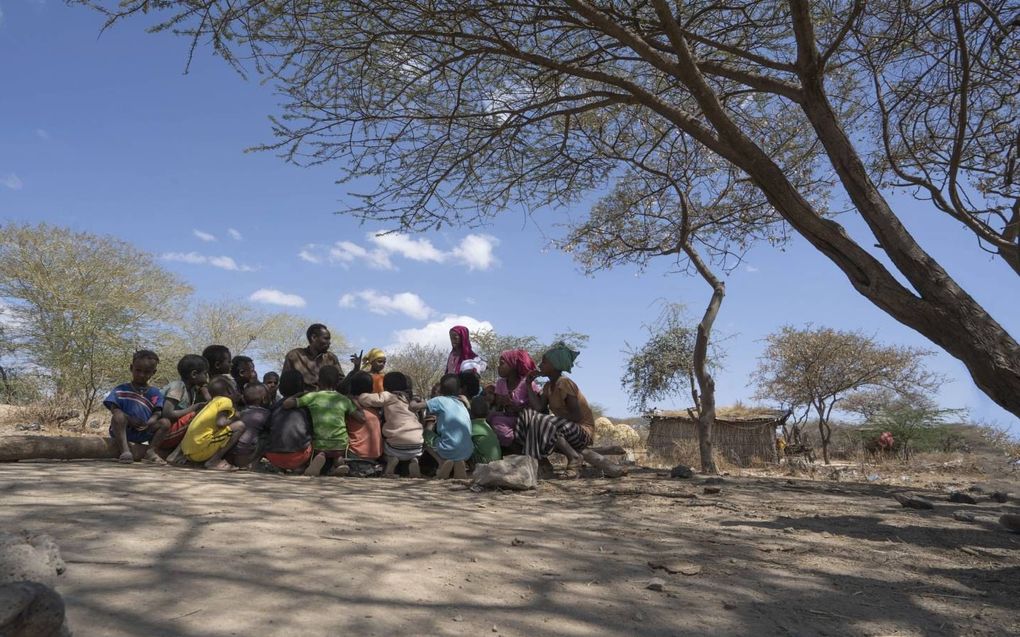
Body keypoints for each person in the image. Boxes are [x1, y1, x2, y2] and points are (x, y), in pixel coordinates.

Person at [522, 342, 625, 479]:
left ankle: (573, 458)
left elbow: (576, 416)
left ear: (555, 365)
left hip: (582, 432)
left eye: (544, 362)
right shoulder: (548, 387)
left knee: (540, 420)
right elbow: (539, 408)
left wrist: (550, 421)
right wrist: (528, 384)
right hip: (565, 429)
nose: (540, 365)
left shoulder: (564, 383)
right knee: (528, 416)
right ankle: (539, 462)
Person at [282, 364, 364, 476]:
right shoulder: (343, 399)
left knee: (319, 452)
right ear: (337, 383)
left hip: (320, 443)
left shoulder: (312, 396)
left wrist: (298, 395)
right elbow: (362, 419)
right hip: (340, 443)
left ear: (319, 381)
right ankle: (339, 465)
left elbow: (286, 404)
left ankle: (319, 458)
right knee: (338, 456)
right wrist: (355, 402)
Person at [104, 350, 171, 464]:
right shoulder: (121, 389)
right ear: (131, 368)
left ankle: (150, 451)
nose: (141, 375)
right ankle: (125, 451)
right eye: (138, 370)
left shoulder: (155, 392)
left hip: (144, 430)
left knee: (165, 422)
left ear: (153, 372)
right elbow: (114, 408)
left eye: (147, 372)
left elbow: (158, 412)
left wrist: (149, 422)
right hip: (124, 430)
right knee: (118, 415)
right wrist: (130, 419)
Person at [357, 372, 426, 478]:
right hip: (417, 448)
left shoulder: (388, 396)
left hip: (395, 449)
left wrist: (360, 395)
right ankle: (414, 461)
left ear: (386, 386)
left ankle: (390, 461)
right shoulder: (410, 399)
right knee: (410, 447)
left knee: (382, 444)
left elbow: (364, 399)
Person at [180, 376, 246, 471]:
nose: (238, 393)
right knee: (240, 426)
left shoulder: (212, 402)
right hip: (198, 451)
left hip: (188, 451)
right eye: (236, 390)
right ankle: (213, 461)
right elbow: (221, 423)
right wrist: (236, 417)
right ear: (229, 391)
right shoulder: (226, 401)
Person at [264, 370, 315, 472]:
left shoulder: (274, 406)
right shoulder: (306, 406)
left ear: (281, 386)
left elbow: (267, 428)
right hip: (299, 457)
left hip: (273, 456)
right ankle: (301, 466)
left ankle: (279, 466)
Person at [159, 354, 210, 455]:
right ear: (194, 374)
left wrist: (204, 388)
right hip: (161, 434)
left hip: (171, 432)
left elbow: (209, 400)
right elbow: (167, 413)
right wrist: (193, 408)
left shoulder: (191, 390)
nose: (207, 377)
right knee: (198, 414)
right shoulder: (178, 387)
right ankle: (178, 453)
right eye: (205, 374)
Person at [488, 349, 538, 451]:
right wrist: (502, 401)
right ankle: (514, 447)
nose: (498, 367)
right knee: (493, 419)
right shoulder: (500, 383)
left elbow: (536, 404)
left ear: (513, 366)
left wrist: (517, 407)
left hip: (524, 419)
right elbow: (498, 405)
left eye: (501, 364)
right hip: (508, 417)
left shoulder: (526, 384)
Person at [425, 374, 474, 466]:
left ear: (441, 391)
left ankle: (441, 462)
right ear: (459, 390)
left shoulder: (439, 401)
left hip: (447, 449)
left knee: (424, 434)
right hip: (467, 452)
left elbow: (414, 407)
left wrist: (414, 401)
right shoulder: (462, 404)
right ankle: (459, 466)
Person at [282, 323, 342, 392]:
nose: (329, 342)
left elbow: (342, 385)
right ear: (313, 338)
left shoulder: (331, 358)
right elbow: (285, 385)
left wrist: (355, 370)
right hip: (300, 400)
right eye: (326, 339)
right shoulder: (294, 355)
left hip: (327, 400)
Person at [226, 383, 271, 469]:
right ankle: (253, 464)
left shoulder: (239, 412)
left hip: (229, 456)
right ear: (264, 398)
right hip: (244, 457)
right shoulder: (266, 413)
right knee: (267, 436)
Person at [345, 372, 383, 468]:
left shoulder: (348, 404)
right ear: (371, 388)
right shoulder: (376, 407)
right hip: (376, 455)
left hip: (356, 453)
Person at [469, 396, 501, 465]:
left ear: (470, 413)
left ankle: (463, 466)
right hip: (497, 463)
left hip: (485, 464)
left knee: (464, 444)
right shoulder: (487, 426)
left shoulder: (472, 426)